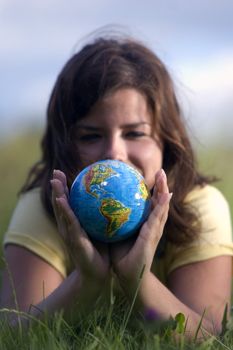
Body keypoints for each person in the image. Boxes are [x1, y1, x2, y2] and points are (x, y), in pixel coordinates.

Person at [1, 33, 233, 338]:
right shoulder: (44, 206)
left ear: (166, 142)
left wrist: (138, 282)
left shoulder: (198, 207)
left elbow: (209, 338)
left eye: (135, 134)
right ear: (65, 145)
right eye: (90, 136)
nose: (114, 153)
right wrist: (87, 281)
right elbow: (14, 335)